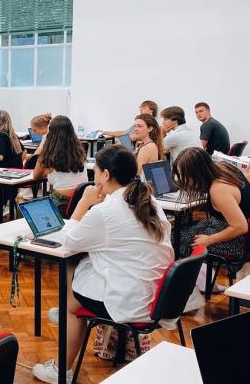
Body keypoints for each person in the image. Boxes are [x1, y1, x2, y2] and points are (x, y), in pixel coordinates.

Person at [32, 145, 173, 384]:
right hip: (157, 294)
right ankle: (66, 315)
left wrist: (84, 202)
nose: (93, 177)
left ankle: (60, 371)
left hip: (131, 298)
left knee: (70, 303)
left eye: (95, 171)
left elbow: (69, 241)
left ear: (106, 175)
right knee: (80, 268)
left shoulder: (106, 211)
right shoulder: (148, 200)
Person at [173, 147, 250, 267]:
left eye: (185, 176)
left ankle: (190, 280)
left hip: (239, 243)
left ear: (196, 173)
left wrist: (209, 240)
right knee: (179, 231)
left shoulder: (219, 190)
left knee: (176, 240)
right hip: (242, 233)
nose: (184, 180)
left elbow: (241, 227)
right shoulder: (223, 167)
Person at [33, 116, 88, 209]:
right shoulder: (79, 152)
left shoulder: (47, 154)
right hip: (82, 199)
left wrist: (47, 172)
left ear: (50, 132)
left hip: (61, 201)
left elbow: (36, 176)